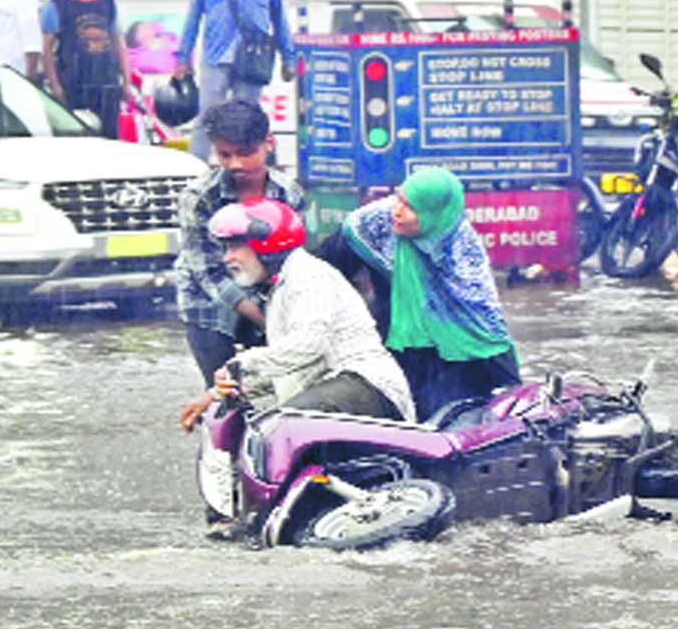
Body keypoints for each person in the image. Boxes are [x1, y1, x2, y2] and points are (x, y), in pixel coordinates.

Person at [179, 198, 415, 431]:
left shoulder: (307, 275)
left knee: (281, 429)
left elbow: (307, 346)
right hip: (335, 391)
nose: (226, 258)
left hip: (368, 387)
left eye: (235, 247)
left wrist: (242, 363)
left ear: (265, 245)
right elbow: (284, 367)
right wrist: (217, 393)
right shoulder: (279, 289)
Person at [318, 166, 520, 420]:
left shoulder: (461, 261)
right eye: (399, 198)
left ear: (435, 215)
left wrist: (517, 395)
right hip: (389, 345)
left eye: (411, 207)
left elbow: (486, 331)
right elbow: (323, 273)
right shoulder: (375, 226)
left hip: (448, 365)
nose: (397, 210)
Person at [174, 99, 303, 389]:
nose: (236, 164)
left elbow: (292, 264)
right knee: (223, 391)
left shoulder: (288, 195)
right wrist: (264, 320)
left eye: (246, 153)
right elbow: (209, 274)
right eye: (225, 154)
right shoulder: (198, 198)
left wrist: (282, 321)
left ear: (268, 144)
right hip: (207, 303)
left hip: (269, 299)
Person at [174, 0, 297, 161]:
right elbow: (193, 17)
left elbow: (280, 20)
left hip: (252, 58)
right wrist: (183, 58)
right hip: (216, 57)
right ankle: (195, 171)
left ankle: (246, 169)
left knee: (247, 121)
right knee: (207, 118)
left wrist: (288, 57)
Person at [41, 0, 133, 139]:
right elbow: (47, 50)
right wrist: (55, 85)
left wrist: (127, 82)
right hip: (73, 87)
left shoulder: (108, 4)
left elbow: (120, 44)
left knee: (109, 140)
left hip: (107, 87)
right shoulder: (56, 5)